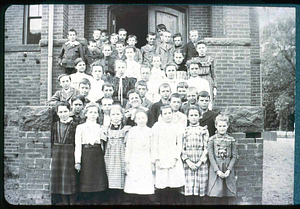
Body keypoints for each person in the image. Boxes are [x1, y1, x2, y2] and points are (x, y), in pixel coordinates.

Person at [74, 103, 108, 205]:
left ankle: (96, 201)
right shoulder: (80, 127)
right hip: (86, 154)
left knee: (97, 179)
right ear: (86, 114)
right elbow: (78, 144)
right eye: (90, 112)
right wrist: (78, 161)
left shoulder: (100, 127)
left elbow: (102, 144)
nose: (93, 114)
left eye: (95, 112)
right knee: (87, 178)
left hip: (97, 154)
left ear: (98, 115)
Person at [152, 105, 185, 205]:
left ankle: (172, 202)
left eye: (169, 113)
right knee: (163, 182)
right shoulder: (157, 127)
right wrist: (156, 159)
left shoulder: (177, 126)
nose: (168, 115)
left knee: (173, 182)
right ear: (161, 115)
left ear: (173, 114)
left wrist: (176, 157)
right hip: (161, 157)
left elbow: (179, 144)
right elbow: (154, 144)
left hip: (173, 156)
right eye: (165, 113)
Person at [124, 109, 155, 205]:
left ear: (147, 119)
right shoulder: (132, 131)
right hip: (134, 158)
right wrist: (127, 162)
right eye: (139, 118)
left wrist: (153, 162)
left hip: (146, 158)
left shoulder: (150, 131)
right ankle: (135, 200)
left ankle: (145, 200)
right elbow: (128, 147)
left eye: (143, 118)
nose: (141, 120)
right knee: (135, 179)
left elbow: (153, 147)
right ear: (135, 120)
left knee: (145, 179)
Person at [181, 106, 209, 205]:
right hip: (188, 163)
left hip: (200, 163)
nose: (193, 117)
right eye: (191, 115)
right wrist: (187, 161)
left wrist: (200, 162)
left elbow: (206, 147)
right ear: (187, 117)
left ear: (200, 116)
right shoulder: (184, 130)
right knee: (189, 187)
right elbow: (181, 148)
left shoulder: (204, 130)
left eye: (196, 115)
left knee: (199, 187)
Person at [50, 101, 78, 205]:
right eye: (60, 112)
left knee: (70, 178)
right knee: (60, 178)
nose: (63, 114)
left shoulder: (74, 125)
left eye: (65, 111)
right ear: (57, 113)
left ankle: (73, 202)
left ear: (69, 111)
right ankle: (64, 202)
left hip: (69, 153)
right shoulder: (54, 125)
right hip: (57, 153)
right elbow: (51, 140)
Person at [207, 113, 237, 205]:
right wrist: (217, 170)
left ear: (227, 126)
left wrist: (229, 169)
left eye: (224, 126)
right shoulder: (212, 140)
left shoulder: (231, 140)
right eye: (220, 126)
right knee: (216, 193)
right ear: (216, 126)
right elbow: (210, 156)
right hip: (216, 169)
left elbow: (234, 156)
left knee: (227, 193)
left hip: (227, 168)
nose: (222, 128)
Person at [104, 104, 131, 205]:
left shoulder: (126, 129)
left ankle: (120, 201)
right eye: (113, 114)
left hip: (121, 156)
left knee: (120, 179)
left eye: (118, 114)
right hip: (109, 157)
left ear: (122, 115)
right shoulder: (105, 129)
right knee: (110, 179)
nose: (115, 116)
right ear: (110, 116)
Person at [195, 40, 217, 108]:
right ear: (196, 49)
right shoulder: (194, 60)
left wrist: (215, 86)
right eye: (199, 48)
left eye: (203, 48)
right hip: (198, 79)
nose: (201, 50)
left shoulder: (210, 59)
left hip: (208, 80)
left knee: (208, 96)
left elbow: (213, 73)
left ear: (206, 48)